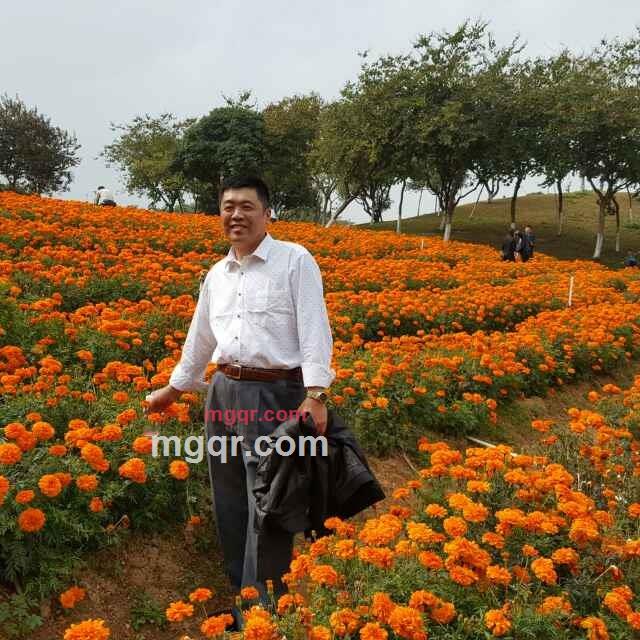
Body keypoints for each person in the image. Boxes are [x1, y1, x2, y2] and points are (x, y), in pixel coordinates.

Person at [145, 175, 335, 615]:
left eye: (246, 206)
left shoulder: (294, 260)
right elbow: (201, 337)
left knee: (267, 500)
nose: (236, 214)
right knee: (229, 497)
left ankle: (264, 609)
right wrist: (174, 388)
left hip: (274, 394)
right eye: (228, 207)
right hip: (223, 391)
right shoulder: (217, 274)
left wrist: (316, 393)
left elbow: (315, 326)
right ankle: (243, 595)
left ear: (267, 214)